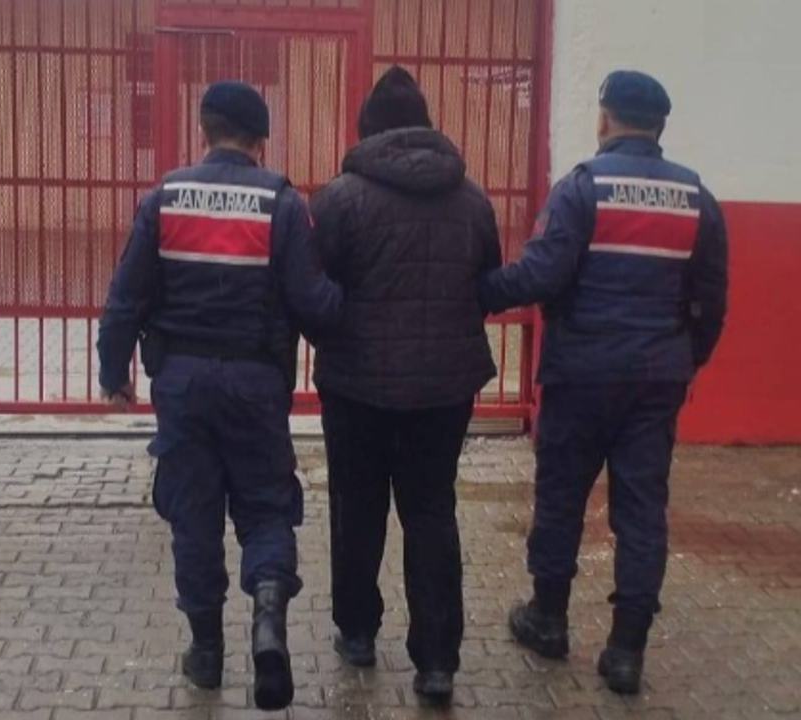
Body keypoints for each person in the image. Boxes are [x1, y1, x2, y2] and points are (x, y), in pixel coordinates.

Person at [95, 81, 342, 712]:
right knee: (265, 508)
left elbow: (126, 296)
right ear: (260, 141)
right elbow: (314, 303)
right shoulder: (281, 203)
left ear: (203, 131)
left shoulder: (164, 198)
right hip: (256, 386)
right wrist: (354, 318)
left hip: (180, 385)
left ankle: (206, 652)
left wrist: (113, 370)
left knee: (193, 513)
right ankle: (268, 621)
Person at [480, 70, 728, 695]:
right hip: (654, 381)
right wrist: (680, 360)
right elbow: (711, 299)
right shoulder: (697, 199)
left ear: (603, 118)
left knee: (561, 498)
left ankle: (548, 620)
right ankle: (626, 652)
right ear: (660, 126)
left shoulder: (583, 188)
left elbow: (540, 275)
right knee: (641, 510)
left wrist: (476, 292)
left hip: (581, 376)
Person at [309, 66, 501, 703]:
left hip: (355, 386)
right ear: (425, 124)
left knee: (357, 507)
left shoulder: (338, 199)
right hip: (445, 389)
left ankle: (357, 632)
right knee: (431, 510)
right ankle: (437, 661)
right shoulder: (472, 200)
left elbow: (315, 289)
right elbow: (485, 279)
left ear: (367, 129)